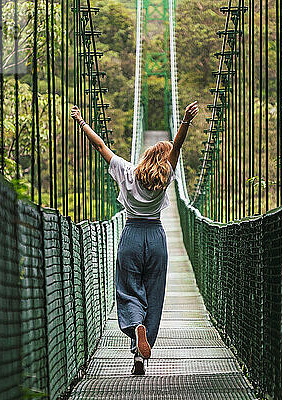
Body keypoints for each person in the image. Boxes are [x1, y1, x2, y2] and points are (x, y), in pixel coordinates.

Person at [70, 101, 199, 375]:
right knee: (153, 295)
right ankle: (141, 352)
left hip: (131, 235)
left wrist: (82, 123)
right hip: (156, 237)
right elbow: (177, 147)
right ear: (164, 162)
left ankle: (135, 328)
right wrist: (185, 121)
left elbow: (101, 147)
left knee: (128, 290)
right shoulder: (165, 177)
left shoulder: (127, 172)